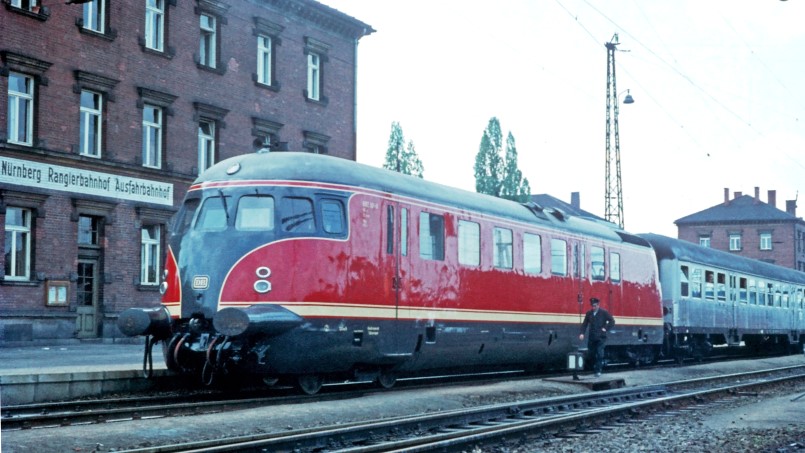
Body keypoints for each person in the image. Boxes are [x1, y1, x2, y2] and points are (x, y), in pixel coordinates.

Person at [578, 297, 615, 377]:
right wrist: (582, 333)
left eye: (595, 306)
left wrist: (606, 328)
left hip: (601, 337)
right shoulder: (589, 313)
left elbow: (612, 321)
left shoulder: (604, 313)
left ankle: (598, 370)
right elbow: (584, 324)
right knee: (591, 354)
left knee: (599, 353)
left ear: (598, 305)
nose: (593, 307)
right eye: (592, 306)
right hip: (592, 337)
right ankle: (594, 368)